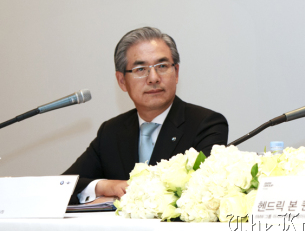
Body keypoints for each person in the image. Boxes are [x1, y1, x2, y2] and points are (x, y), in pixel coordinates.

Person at [64, 27, 228, 204]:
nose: (153, 78)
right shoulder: (111, 132)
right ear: (122, 81)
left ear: (177, 73)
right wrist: (104, 186)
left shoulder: (206, 125)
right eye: (141, 69)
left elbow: (200, 191)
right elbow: (62, 186)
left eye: (162, 66)